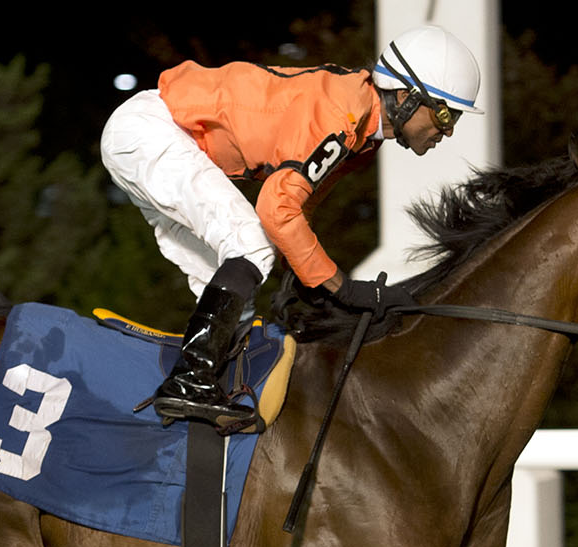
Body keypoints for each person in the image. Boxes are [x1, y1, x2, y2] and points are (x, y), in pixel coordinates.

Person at [101, 24, 483, 426]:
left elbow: (299, 210)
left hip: (155, 136)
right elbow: (276, 209)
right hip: (152, 131)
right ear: (406, 97)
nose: (448, 130)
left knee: (238, 299)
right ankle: (188, 380)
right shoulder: (343, 117)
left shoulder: (361, 133)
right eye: (444, 113)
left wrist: (303, 277)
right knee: (249, 245)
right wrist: (341, 287)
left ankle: (201, 395)